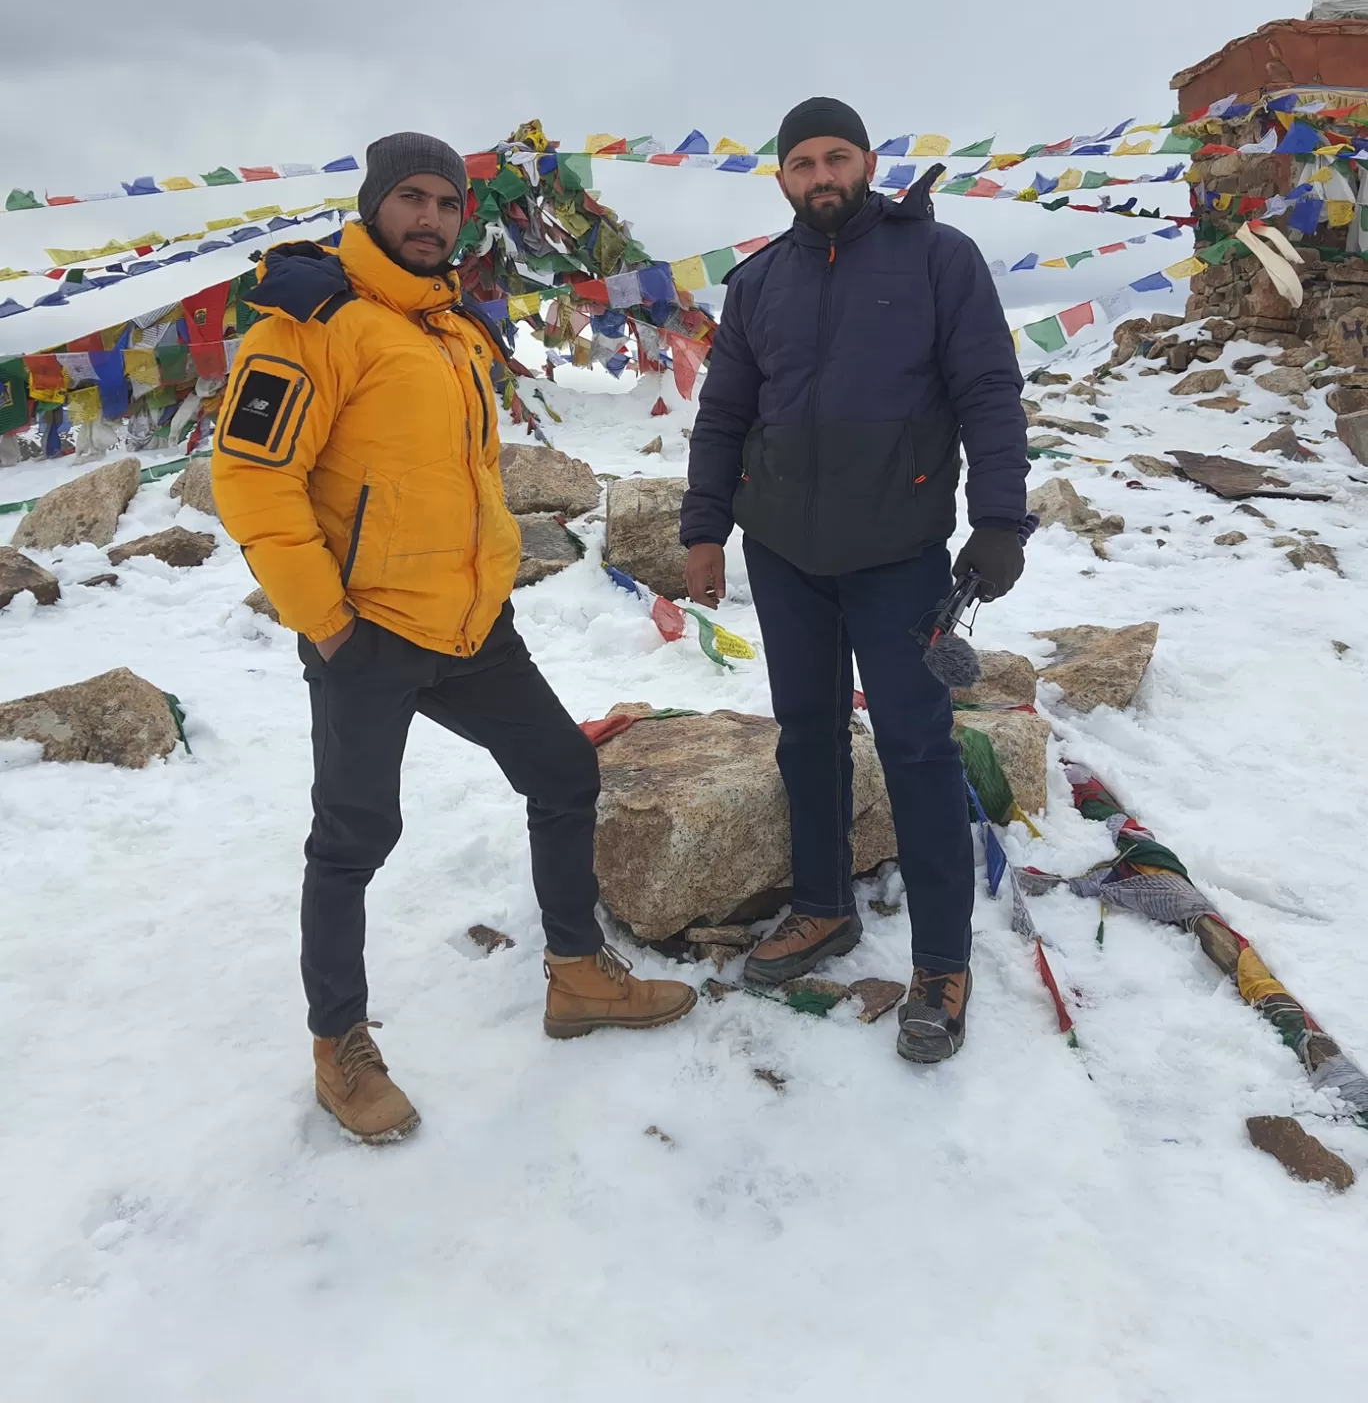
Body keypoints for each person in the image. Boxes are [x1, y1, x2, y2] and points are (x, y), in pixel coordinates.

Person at [213, 132, 695, 1144]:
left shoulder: (452, 330)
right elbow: (252, 478)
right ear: (376, 206)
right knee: (354, 839)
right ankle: (338, 1046)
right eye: (412, 199)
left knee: (563, 773)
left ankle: (575, 976)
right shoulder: (312, 320)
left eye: (445, 202)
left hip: (473, 622)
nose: (430, 217)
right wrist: (330, 624)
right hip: (369, 632)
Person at [680, 98, 1028, 1063]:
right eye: (803, 162)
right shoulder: (758, 284)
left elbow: (989, 390)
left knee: (917, 749)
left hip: (899, 552)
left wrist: (1000, 518)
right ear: (782, 178)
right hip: (783, 553)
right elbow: (724, 415)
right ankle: (823, 908)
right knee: (807, 736)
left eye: (838, 157)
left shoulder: (938, 258)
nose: (821, 175)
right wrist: (704, 529)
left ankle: (942, 960)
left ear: (868, 162)